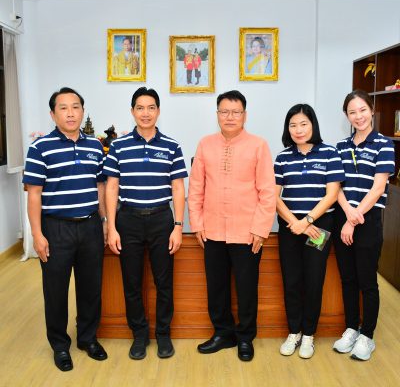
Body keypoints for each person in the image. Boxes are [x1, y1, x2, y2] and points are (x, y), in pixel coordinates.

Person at [23, 87, 108, 372]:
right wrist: (37, 234)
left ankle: (87, 338)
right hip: (56, 228)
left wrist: (104, 222)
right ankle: (60, 345)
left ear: (82, 111)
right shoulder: (40, 148)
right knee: (56, 290)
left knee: (91, 287)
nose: (70, 113)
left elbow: (100, 186)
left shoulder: (95, 146)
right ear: (53, 114)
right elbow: (34, 194)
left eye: (75, 107)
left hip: (90, 226)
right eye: (63, 108)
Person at [188, 90, 276, 362]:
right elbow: (196, 188)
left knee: (247, 288)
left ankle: (245, 337)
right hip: (212, 229)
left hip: (247, 232)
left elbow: (268, 192)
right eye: (224, 111)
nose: (229, 117)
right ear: (217, 115)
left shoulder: (259, 145)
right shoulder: (205, 144)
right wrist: (197, 223)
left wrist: (260, 228)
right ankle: (223, 333)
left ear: (244, 115)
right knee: (217, 287)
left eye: (235, 112)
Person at [104, 87, 187, 360]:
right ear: (132, 112)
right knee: (132, 283)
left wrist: (178, 226)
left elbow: (178, 187)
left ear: (158, 111)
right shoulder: (118, 146)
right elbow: (111, 187)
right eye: (140, 108)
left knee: (164, 283)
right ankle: (139, 335)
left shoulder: (172, 146)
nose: (146, 113)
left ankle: (163, 334)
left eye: (151, 107)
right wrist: (111, 227)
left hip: (162, 220)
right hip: (128, 220)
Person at [274, 104, 345, 359]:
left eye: (303, 124)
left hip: (319, 228)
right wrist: (296, 222)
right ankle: (294, 331)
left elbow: (332, 194)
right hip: (290, 227)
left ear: (313, 125)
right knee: (291, 280)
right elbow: (274, 196)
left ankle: (308, 335)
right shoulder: (282, 157)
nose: (298, 129)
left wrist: (307, 221)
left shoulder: (329, 153)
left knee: (314, 280)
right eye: (293, 125)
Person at [332, 90, 395, 361]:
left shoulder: (384, 144)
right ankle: (351, 328)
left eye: (362, 110)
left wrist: (354, 217)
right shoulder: (340, 147)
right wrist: (347, 214)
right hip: (344, 217)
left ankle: (367, 335)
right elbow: (336, 186)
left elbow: (378, 186)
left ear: (371, 109)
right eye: (352, 112)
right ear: (346, 115)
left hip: (368, 221)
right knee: (348, 278)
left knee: (367, 280)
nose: (358, 116)